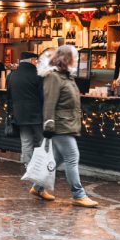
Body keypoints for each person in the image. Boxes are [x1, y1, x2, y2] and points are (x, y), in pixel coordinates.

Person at [36, 45, 98, 208]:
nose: (77, 61)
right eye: (75, 58)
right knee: (72, 156)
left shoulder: (67, 77)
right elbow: (49, 103)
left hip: (67, 123)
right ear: (66, 58)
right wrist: (48, 126)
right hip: (59, 125)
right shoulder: (53, 77)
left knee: (58, 158)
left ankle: (38, 187)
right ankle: (78, 194)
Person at [5, 51, 45, 178]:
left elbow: (9, 97)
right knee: (42, 142)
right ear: (32, 60)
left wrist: (12, 113)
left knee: (26, 142)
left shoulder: (11, 76)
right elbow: (43, 96)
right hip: (37, 115)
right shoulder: (38, 75)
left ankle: (29, 167)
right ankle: (43, 167)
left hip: (20, 115)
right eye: (36, 60)